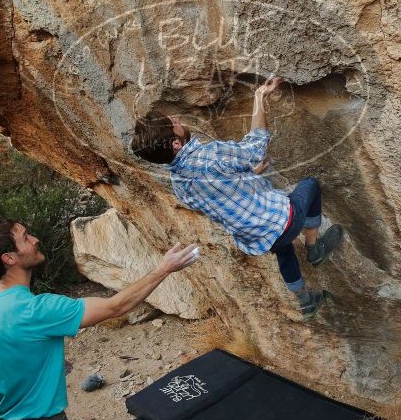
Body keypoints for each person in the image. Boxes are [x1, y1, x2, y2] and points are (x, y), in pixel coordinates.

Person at [0, 219, 197, 420]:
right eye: (25, 238)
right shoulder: (36, 309)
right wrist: (164, 268)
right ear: (9, 258)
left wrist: (41, 364)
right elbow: (115, 306)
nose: (35, 240)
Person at [131, 77, 343, 319]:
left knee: (283, 250)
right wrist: (259, 97)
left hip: (254, 237)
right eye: (173, 123)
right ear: (176, 143)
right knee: (310, 185)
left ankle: (305, 301)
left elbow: (219, 196)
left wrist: (250, 174)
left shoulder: (179, 185)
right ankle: (315, 248)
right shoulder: (209, 154)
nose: (178, 120)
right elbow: (255, 148)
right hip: (285, 221)